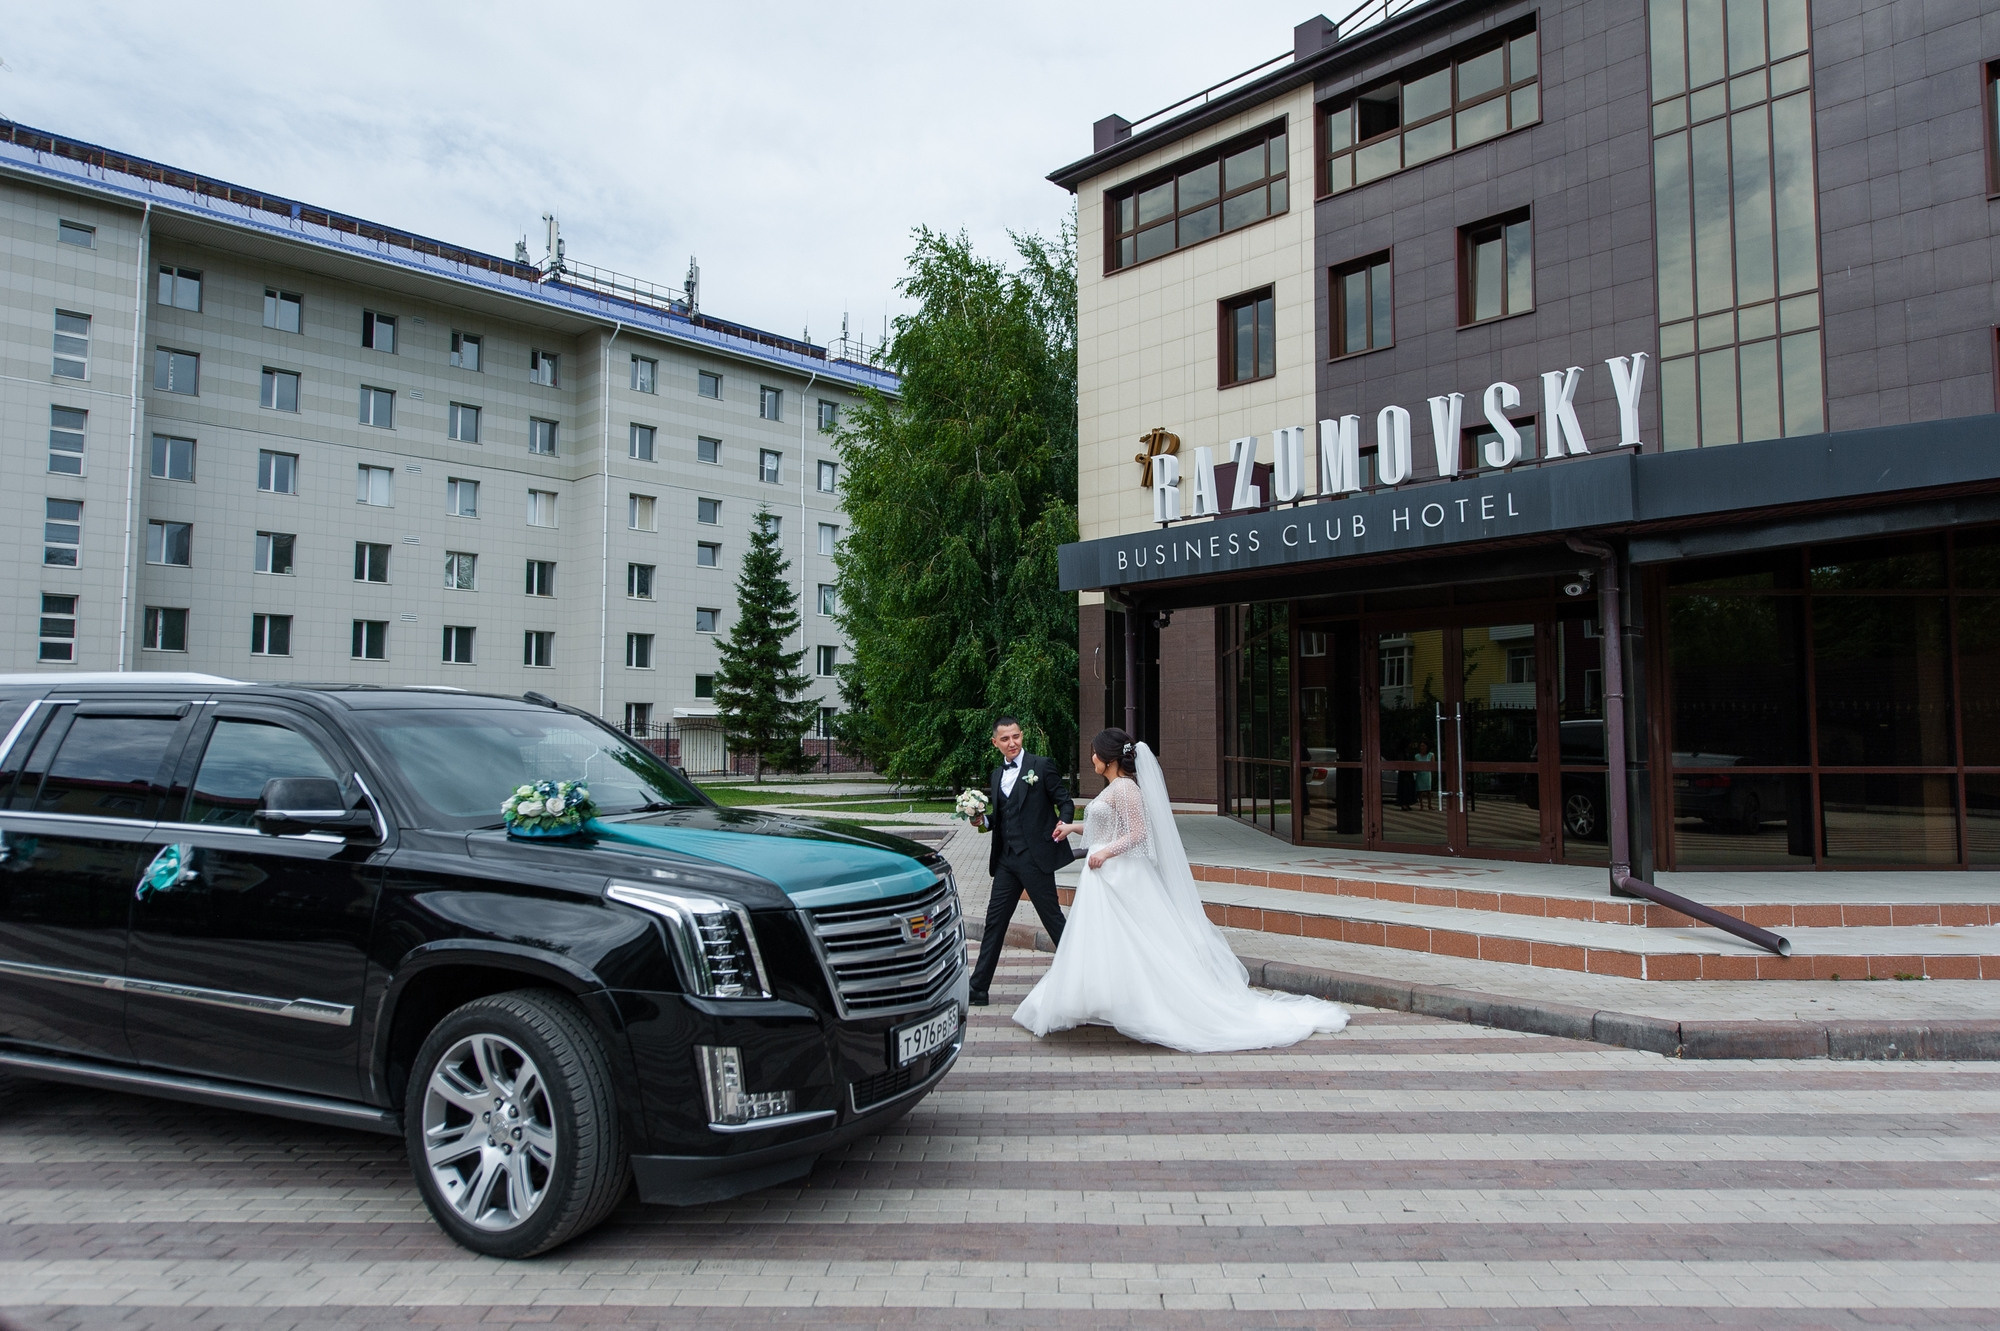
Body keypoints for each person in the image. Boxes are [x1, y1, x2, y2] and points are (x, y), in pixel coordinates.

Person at [1014, 728, 1349, 1052]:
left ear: (1108, 757)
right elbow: (1108, 826)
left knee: (1137, 942)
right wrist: (1074, 827)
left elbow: (1138, 834)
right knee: (1105, 942)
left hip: (1121, 876)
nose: (1091, 758)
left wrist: (1103, 852)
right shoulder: (1115, 786)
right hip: (1103, 877)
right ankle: (1108, 1003)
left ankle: (1145, 1007)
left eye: (1094, 752)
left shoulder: (1126, 789)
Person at [965, 715, 1074, 1007]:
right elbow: (999, 820)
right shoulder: (995, 775)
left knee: (1053, 921)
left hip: (1035, 859)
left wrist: (1064, 824)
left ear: (1022, 735)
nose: (1012, 743)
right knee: (994, 923)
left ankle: (1082, 978)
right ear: (995, 742)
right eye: (1005, 739)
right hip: (1006, 861)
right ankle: (978, 988)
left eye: (1016, 736)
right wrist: (980, 820)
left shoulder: (1040, 766)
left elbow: (1065, 801)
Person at [1413, 738, 1436, 811]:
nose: (1422, 747)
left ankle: (1429, 804)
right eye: (1421, 746)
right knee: (1420, 791)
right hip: (1420, 774)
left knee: (1428, 790)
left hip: (1427, 773)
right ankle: (1421, 805)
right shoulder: (1417, 756)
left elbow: (1433, 765)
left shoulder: (1431, 755)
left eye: (1423, 746)